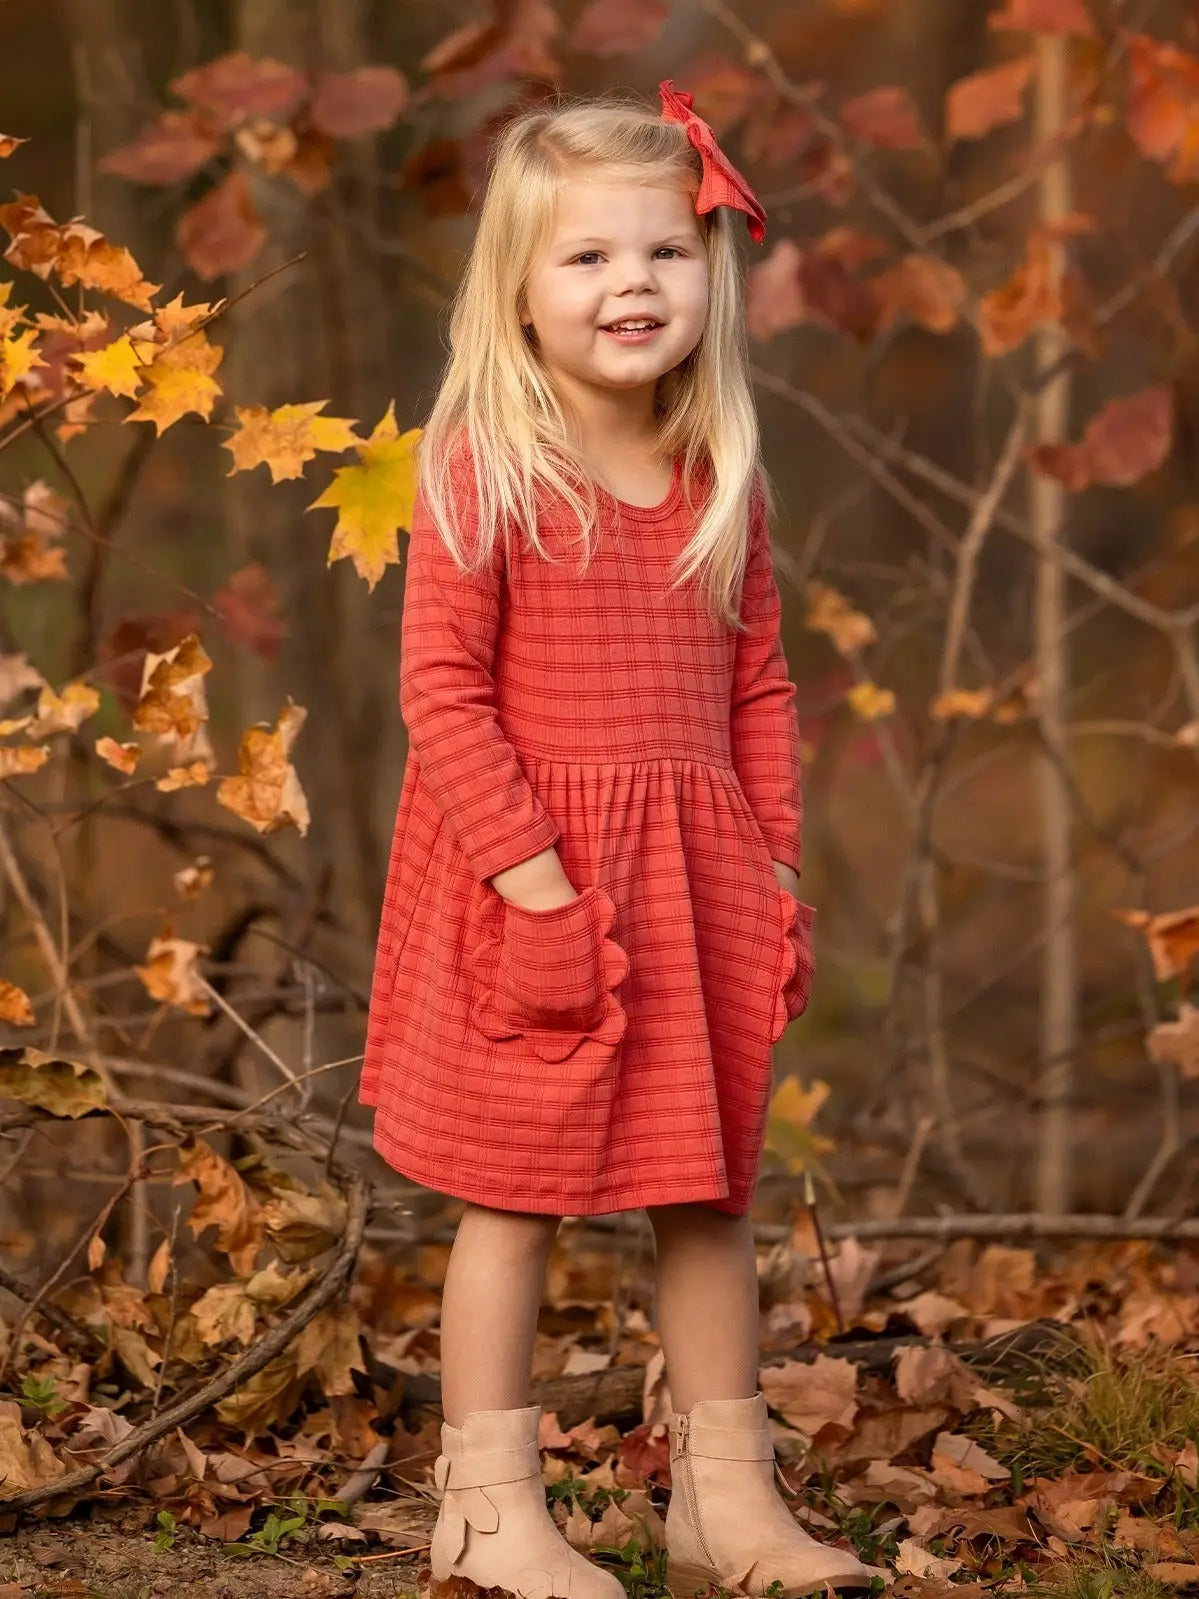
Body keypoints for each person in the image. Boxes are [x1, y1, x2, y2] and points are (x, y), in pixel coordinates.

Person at [359, 80, 873, 1599]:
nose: (631, 285)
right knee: (510, 1197)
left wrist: (775, 867)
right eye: (586, 258)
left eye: (662, 251)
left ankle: (725, 1505)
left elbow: (763, 686)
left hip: (697, 882)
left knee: (710, 1193)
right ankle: (489, 1508)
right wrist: (533, 889)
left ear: (708, 272)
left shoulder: (719, 482)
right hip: (536, 883)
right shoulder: (487, 471)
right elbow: (440, 697)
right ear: (516, 291)